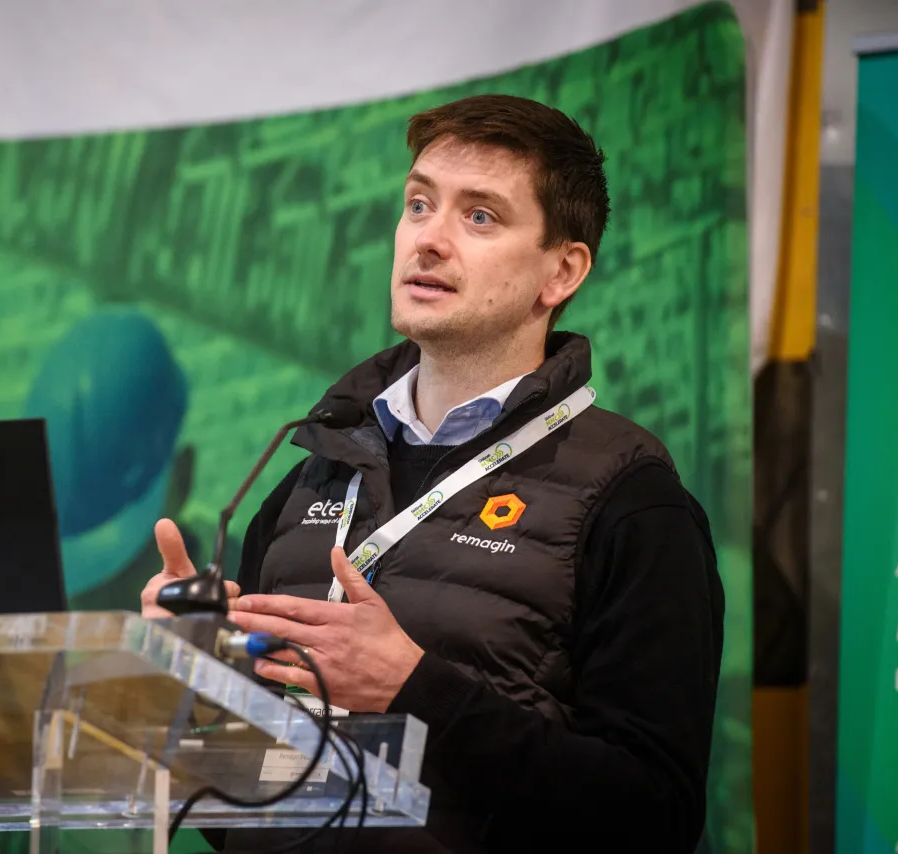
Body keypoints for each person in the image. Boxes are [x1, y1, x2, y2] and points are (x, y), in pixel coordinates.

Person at [141, 94, 724, 854]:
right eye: (419, 204)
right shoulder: (307, 477)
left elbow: (655, 817)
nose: (430, 240)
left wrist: (414, 692)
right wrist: (199, 678)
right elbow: (242, 816)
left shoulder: (633, 501)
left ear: (562, 271)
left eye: (479, 216)